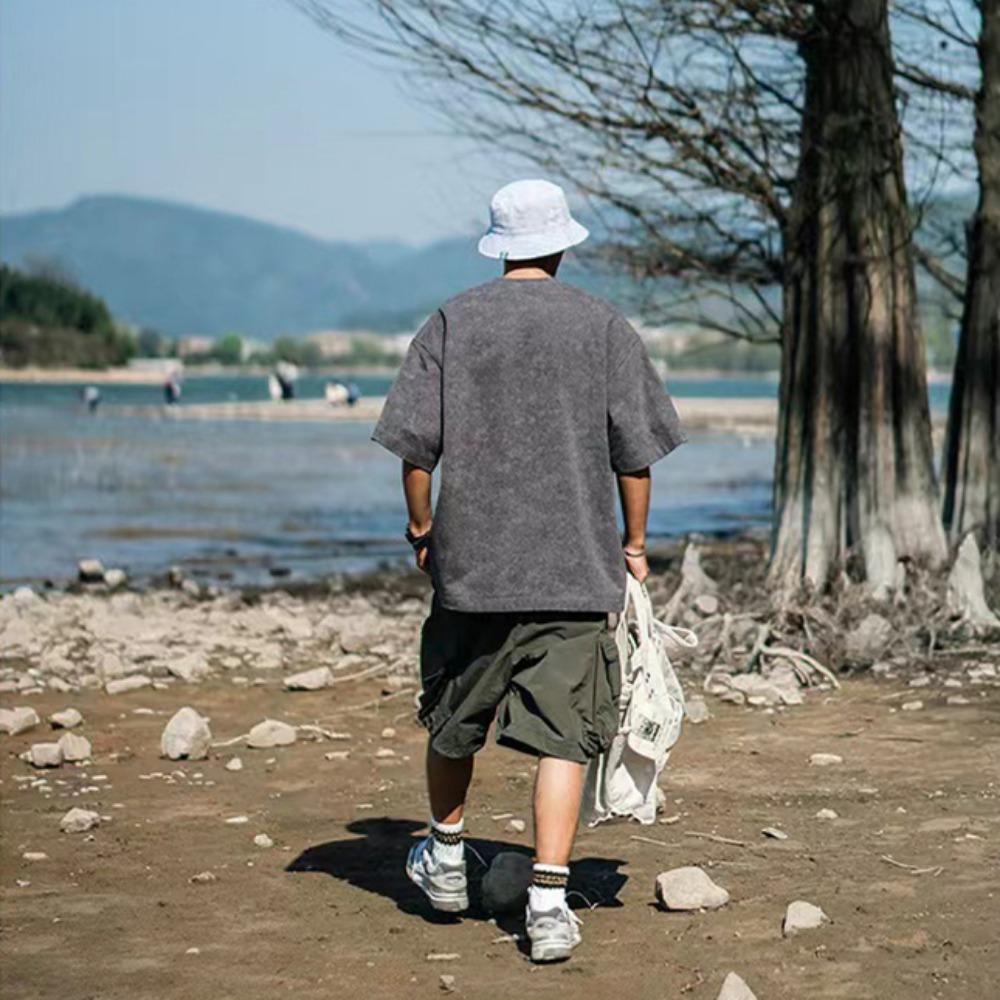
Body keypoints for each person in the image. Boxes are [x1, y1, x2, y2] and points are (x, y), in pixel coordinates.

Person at [372, 179, 685, 963]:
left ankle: (445, 862)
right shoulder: (602, 326)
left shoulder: (452, 320)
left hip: (473, 569)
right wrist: (634, 546)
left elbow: (415, 450)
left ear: (497, 245)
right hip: (575, 569)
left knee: (452, 719)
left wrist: (423, 529)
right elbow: (636, 457)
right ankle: (548, 903)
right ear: (562, 244)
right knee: (563, 740)